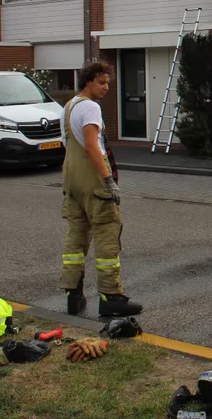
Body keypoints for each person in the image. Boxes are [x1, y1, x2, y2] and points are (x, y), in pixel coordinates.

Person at [60, 61, 142, 317]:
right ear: (88, 82)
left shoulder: (69, 106)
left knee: (76, 235)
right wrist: (108, 180)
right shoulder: (91, 108)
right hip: (94, 181)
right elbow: (92, 146)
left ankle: (72, 294)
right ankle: (110, 297)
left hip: (72, 180)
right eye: (102, 82)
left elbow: (67, 143)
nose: (106, 87)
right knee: (107, 234)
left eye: (108, 82)